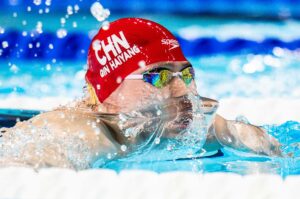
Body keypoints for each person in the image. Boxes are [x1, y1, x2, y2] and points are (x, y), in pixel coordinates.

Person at [0, 18, 281, 170]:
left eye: (186, 74)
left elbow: (267, 146)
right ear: (108, 92)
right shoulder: (81, 135)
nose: (183, 90)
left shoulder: (194, 126)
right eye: (157, 76)